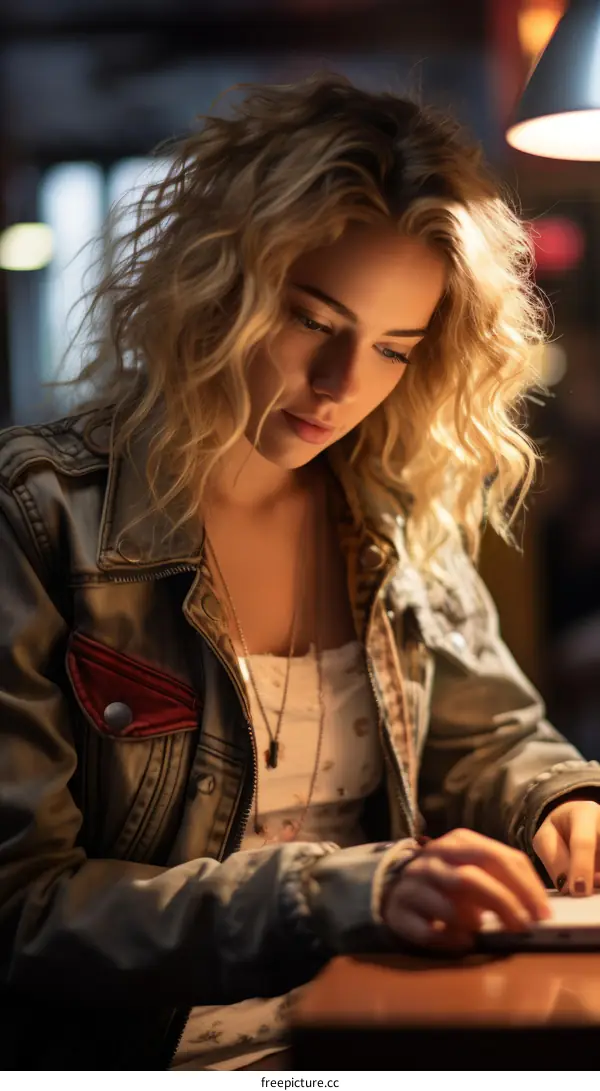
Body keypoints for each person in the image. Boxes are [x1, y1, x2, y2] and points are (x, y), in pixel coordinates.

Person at [1, 72, 600, 1072]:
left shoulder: (391, 514)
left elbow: (489, 737)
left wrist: (558, 802)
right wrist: (342, 891)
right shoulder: (37, 519)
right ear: (216, 278)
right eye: (314, 322)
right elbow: (21, 907)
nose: (342, 387)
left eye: (395, 349)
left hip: (375, 1041)